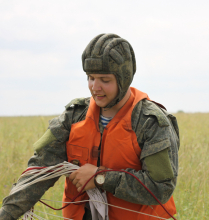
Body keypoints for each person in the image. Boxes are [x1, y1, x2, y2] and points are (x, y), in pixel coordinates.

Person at [0, 33, 179, 220]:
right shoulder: (74, 116)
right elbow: (39, 172)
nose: (95, 87)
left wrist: (100, 178)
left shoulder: (150, 122)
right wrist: (6, 215)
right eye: (90, 77)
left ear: (124, 79)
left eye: (105, 80)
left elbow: (160, 188)